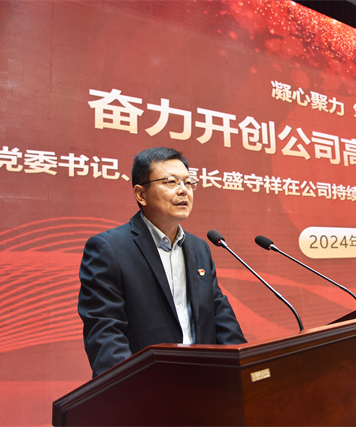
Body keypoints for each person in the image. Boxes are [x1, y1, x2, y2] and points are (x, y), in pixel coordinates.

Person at [78, 146, 246, 377]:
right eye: (171, 182)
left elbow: (218, 313)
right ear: (141, 194)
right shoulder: (109, 248)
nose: (183, 190)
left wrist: (244, 367)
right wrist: (134, 387)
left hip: (202, 381)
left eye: (188, 183)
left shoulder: (200, 248)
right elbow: (105, 331)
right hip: (148, 385)